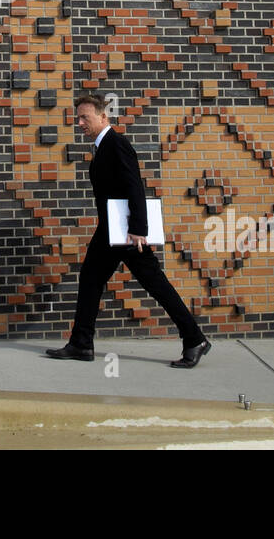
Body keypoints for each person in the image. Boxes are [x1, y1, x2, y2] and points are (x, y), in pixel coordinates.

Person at [46, 93, 211, 368]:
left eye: (85, 117)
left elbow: (134, 185)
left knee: (154, 283)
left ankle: (195, 339)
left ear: (103, 117)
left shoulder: (116, 143)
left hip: (126, 232)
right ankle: (81, 343)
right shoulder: (103, 146)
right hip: (111, 230)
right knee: (90, 279)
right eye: (78, 118)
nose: (79, 123)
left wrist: (138, 228)